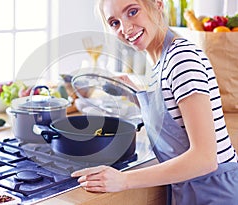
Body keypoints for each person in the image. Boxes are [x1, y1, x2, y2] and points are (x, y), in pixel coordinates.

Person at [71, 0, 238, 204]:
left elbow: (205, 159)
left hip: (214, 192)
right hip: (192, 188)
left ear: (158, 4)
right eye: (114, 23)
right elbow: (174, 112)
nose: (125, 28)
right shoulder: (162, 60)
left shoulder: (182, 59)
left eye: (132, 12)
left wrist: (124, 180)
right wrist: (134, 93)